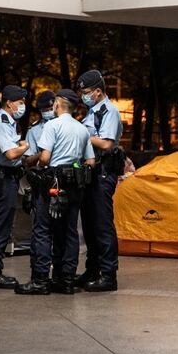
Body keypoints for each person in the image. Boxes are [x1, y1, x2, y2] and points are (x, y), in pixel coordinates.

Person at [15, 89, 95, 295]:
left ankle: (40, 280)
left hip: (53, 182)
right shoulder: (82, 129)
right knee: (69, 231)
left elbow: (44, 158)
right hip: (75, 185)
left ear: (58, 105)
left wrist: (41, 166)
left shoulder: (52, 126)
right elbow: (91, 161)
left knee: (42, 230)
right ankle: (65, 279)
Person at [76, 70, 124, 292]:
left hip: (103, 172)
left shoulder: (109, 112)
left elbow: (106, 144)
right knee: (90, 224)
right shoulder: (91, 112)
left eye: (87, 92)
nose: (84, 96)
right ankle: (93, 270)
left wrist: (80, 134)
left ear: (98, 91)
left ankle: (108, 274)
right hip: (90, 173)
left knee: (102, 224)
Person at [0, 85, 30, 289]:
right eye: (20, 102)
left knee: (3, 224)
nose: (23, 106)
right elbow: (10, 154)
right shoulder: (1, 123)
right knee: (0, 225)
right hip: (2, 179)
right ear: (9, 103)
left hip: (7, 178)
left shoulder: (8, 123)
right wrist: (24, 147)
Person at [24, 91, 58, 167]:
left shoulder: (67, 124)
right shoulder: (33, 130)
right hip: (45, 172)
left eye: (51, 109)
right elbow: (28, 161)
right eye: (45, 110)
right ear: (40, 110)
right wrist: (45, 152)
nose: (49, 112)